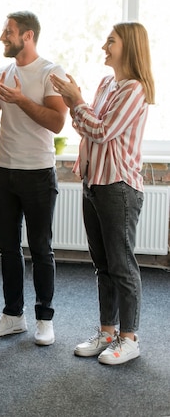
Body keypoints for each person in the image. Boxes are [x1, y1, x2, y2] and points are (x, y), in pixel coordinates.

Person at [49, 22, 154, 365]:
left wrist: (75, 100)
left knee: (121, 266)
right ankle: (108, 332)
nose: (104, 46)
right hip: (94, 183)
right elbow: (85, 126)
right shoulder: (108, 83)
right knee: (103, 265)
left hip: (119, 187)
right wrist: (79, 105)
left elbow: (103, 129)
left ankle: (129, 337)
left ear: (130, 46)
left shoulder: (134, 89)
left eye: (111, 41)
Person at [0, 11, 68, 346]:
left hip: (38, 172)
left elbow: (58, 122)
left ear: (28, 36)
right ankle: (13, 315)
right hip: (2, 170)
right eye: (4, 31)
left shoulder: (50, 72)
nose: (3, 37)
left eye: (9, 32)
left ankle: (45, 318)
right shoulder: (1, 72)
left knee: (41, 248)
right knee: (8, 248)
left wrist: (21, 100)